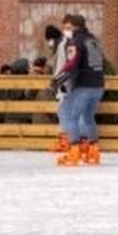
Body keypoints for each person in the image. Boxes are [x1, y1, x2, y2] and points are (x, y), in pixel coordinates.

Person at [54, 14, 105, 167]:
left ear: (74, 27)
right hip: (98, 85)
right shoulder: (93, 40)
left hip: (82, 85)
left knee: (70, 116)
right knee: (88, 118)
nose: (65, 30)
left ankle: (73, 152)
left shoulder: (75, 42)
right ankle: (92, 152)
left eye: (67, 27)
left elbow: (71, 63)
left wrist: (57, 80)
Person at [42, 25, 69, 153]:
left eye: (49, 39)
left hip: (64, 83)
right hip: (62, 83)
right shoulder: (59, 45)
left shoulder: (61, 45)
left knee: (64, 113)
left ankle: (68, 142)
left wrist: (56, 81)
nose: (49, 43)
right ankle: (64, 141)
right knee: (62, 113)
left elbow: (60, 65)